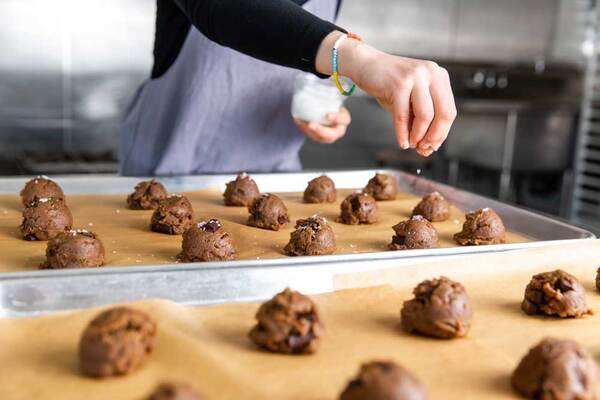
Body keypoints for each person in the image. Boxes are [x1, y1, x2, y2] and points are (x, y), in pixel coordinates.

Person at [120, 0, 456, 176]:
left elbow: (298, 55)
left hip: (273, 183)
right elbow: (223, 9)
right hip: (168, 177)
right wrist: (359, 59)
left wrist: (318, 110)